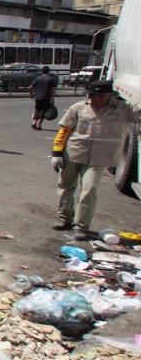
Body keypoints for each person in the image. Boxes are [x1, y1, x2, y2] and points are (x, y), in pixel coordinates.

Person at [50, 80, 141, 241]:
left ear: (110, 95)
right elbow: (64, 130)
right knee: (66, 186)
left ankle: (81, 226)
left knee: (89, 189)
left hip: (99, 158)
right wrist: (57, 152)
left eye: (101, 96)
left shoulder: (122, 109)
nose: (96, 99)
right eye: (93, 95)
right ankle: (64, 219)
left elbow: (138, 114)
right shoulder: (78, 108)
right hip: (73, 153)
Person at [30, 66, 60, 130]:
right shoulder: (51, 79)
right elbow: (52, 90)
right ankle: (39, 125)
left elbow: (30, 87)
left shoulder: (38, 78)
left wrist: (31, 95)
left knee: (37, 110)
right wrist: (52, 99)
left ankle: (34, 122)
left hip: (37, 97)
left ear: (42, 71)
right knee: (43, 111)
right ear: (48, 72)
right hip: (46, 97)